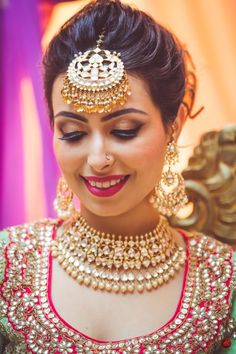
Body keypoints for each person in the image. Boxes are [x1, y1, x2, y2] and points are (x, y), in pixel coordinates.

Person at [0, 0, 235, 353]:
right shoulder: (9, 264)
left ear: (174, 127)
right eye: (73, 133)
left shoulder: (223, 281)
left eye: (125, 130)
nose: (97, 159)